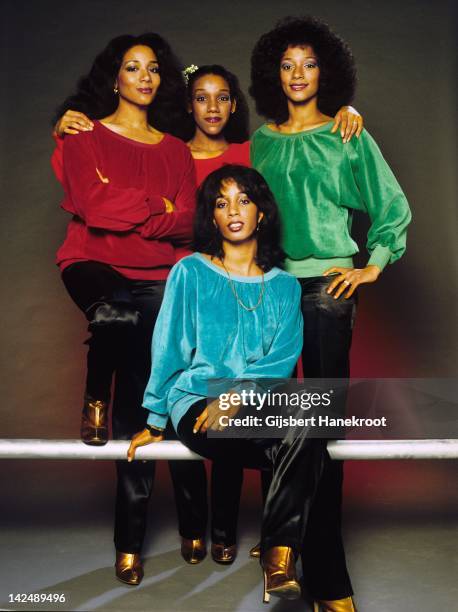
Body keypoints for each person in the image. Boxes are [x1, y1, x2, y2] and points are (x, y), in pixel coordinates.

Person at [52, 59, 364, 566]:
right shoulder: (172, 151)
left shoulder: (251, 152)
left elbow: (297, 139)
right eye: (201, 97)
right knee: (162, 392)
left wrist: (344, 112)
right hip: (177, 283)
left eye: (223, 98)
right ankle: (176, 534)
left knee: (285, 413)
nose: (212, 107)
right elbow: (110, 186)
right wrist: (66, 125)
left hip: (246, 289)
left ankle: (258, 544)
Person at [249, 16, 412, 612]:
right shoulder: (261, 141)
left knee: (316, 423)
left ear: (328, 72)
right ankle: (280, 550)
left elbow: (390, 205)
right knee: (268, 422)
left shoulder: (348, 133)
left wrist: (375, 262)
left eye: (310, 63)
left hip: (327, 285)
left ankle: (326, 575)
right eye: (287, 64)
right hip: (266, 289)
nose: (297, 75)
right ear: (273, 73)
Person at [128, 164, 330, 605]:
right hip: (197, 403)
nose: (233, 211)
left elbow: (281, 362)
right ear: (212, 217)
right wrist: (156, 417)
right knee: (306, 445)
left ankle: (278, 555)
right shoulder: (190, 272)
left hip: (255, 404)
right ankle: (282, 553)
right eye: (221, 203)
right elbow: (170, 348)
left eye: (244, 200)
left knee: (309, 417)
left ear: (262, 214)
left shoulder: (285, 287)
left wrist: (236, 395)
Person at [53, 32, 207, 585]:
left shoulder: (174, 151)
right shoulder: (83, 132)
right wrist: (155, 209)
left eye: (153, 68)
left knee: (167, 389)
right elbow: (92, 207)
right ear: (113, 78)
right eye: (131, 67)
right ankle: (131, 537)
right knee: (117, 329)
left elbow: (190, 221)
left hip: (159, 277)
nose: (144, 76)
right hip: (95, 265)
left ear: (162, 80)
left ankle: (189, 523)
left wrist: (138, 211)